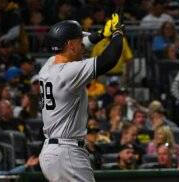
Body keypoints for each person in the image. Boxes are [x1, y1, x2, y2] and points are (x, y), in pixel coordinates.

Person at [38, 14, 124, 182]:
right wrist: (117, 34)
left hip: (53, 150)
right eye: (78, 40)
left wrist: (100, 34)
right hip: (67, 151)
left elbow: (80, 46)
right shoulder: (69, 72)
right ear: (70, 45)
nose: (82, 43)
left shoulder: (49, 64)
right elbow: (109, 60)